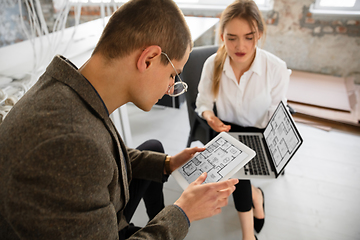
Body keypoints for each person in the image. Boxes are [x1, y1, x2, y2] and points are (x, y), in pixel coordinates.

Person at [0, 0, 239, 239]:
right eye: (171, 75)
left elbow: (105, 154)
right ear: (148, 59)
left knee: (154, 148)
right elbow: (89, 155)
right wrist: (184, 213)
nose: (170, 87)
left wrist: (168, 164)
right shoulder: (72, 143)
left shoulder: (70, 93)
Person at [195, 0, 291, 239]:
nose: (240, 46)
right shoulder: (212, 64)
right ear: (221, 35)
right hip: (225, 131)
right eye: (232, 38)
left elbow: (276, 113)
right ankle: (250, 226)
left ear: (259, 34)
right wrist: (210, 118)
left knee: (238, 170)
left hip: (259, 134)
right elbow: (203, 103)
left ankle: (252, 215)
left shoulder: (276, 68)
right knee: (238, 170)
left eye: (248, 37)